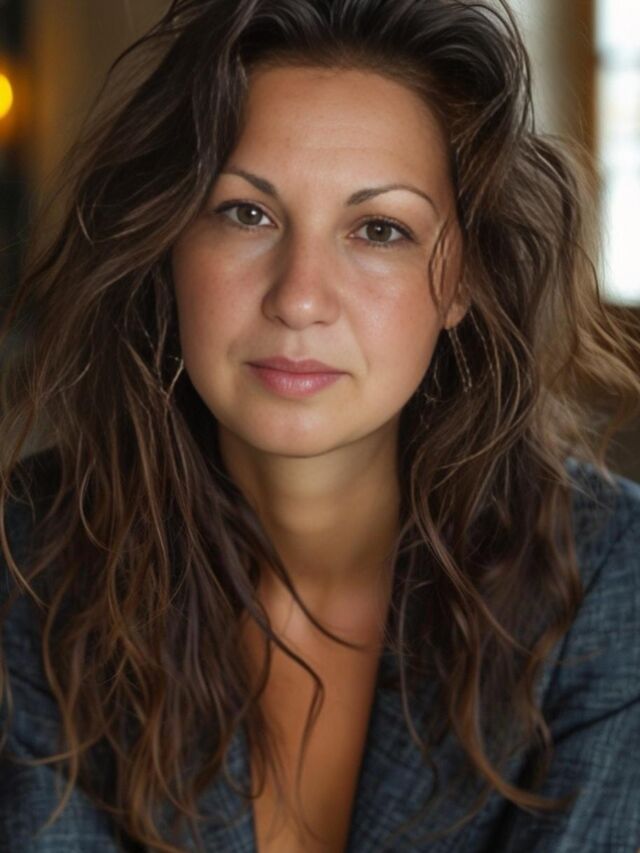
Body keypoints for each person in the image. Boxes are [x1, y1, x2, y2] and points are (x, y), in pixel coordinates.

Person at [1, 0, 639, 850]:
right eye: (246, 213)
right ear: (168, 242)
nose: (300, 297)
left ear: (462, 281)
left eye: (379, 230)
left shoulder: (611, 579)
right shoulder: (32, 553)